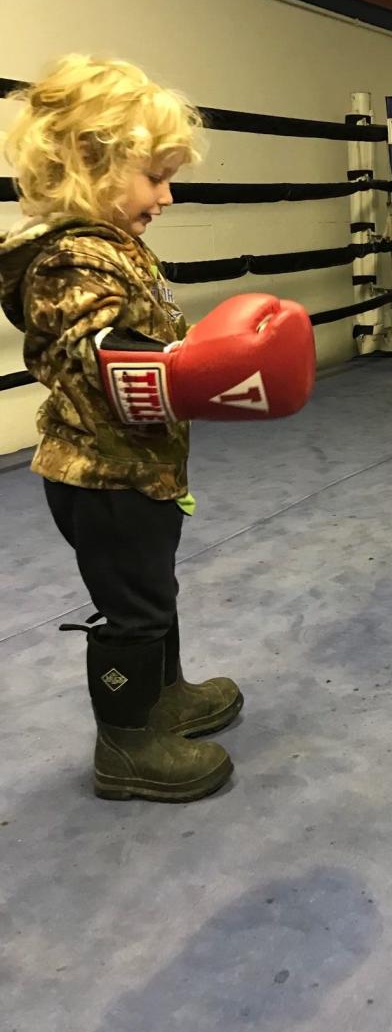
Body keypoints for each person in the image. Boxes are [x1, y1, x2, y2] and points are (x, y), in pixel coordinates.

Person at [1, 55, 316, 802]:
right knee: (131, 608)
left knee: (153, 587)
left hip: (140, 468)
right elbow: (99, 356)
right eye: (155, 177)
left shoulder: (106, 246)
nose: (168, 195)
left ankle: (163, 696)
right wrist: (202, 367)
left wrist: (198, 351)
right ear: (89, 166)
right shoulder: (67, 261)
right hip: (100, 476)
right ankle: (127, 743)